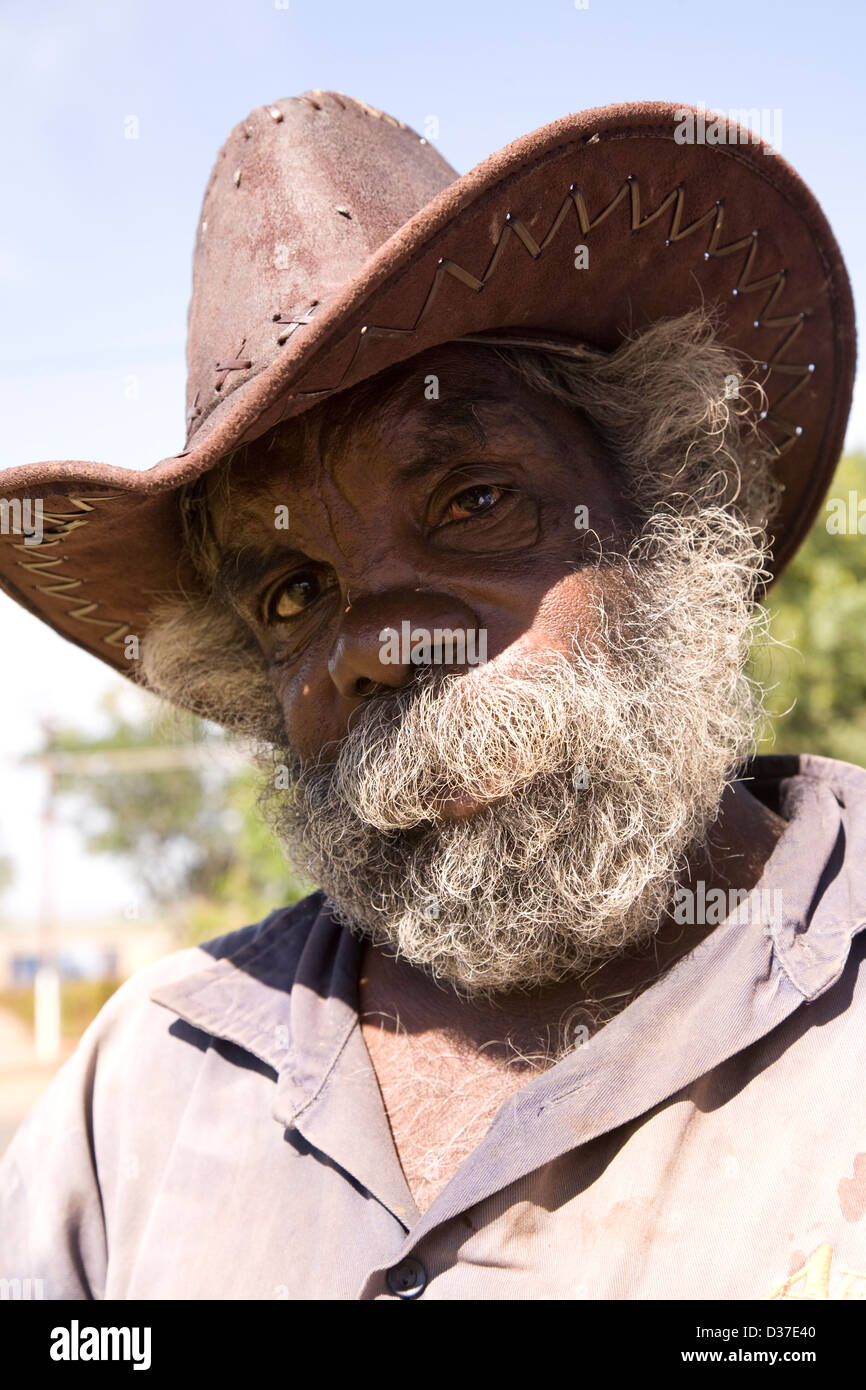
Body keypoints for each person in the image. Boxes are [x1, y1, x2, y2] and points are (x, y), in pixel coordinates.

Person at [0, 91, 861, 1301]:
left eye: (471, 502)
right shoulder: (141, 1085)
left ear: (663, 512)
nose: (379, 645)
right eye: (294, 595)